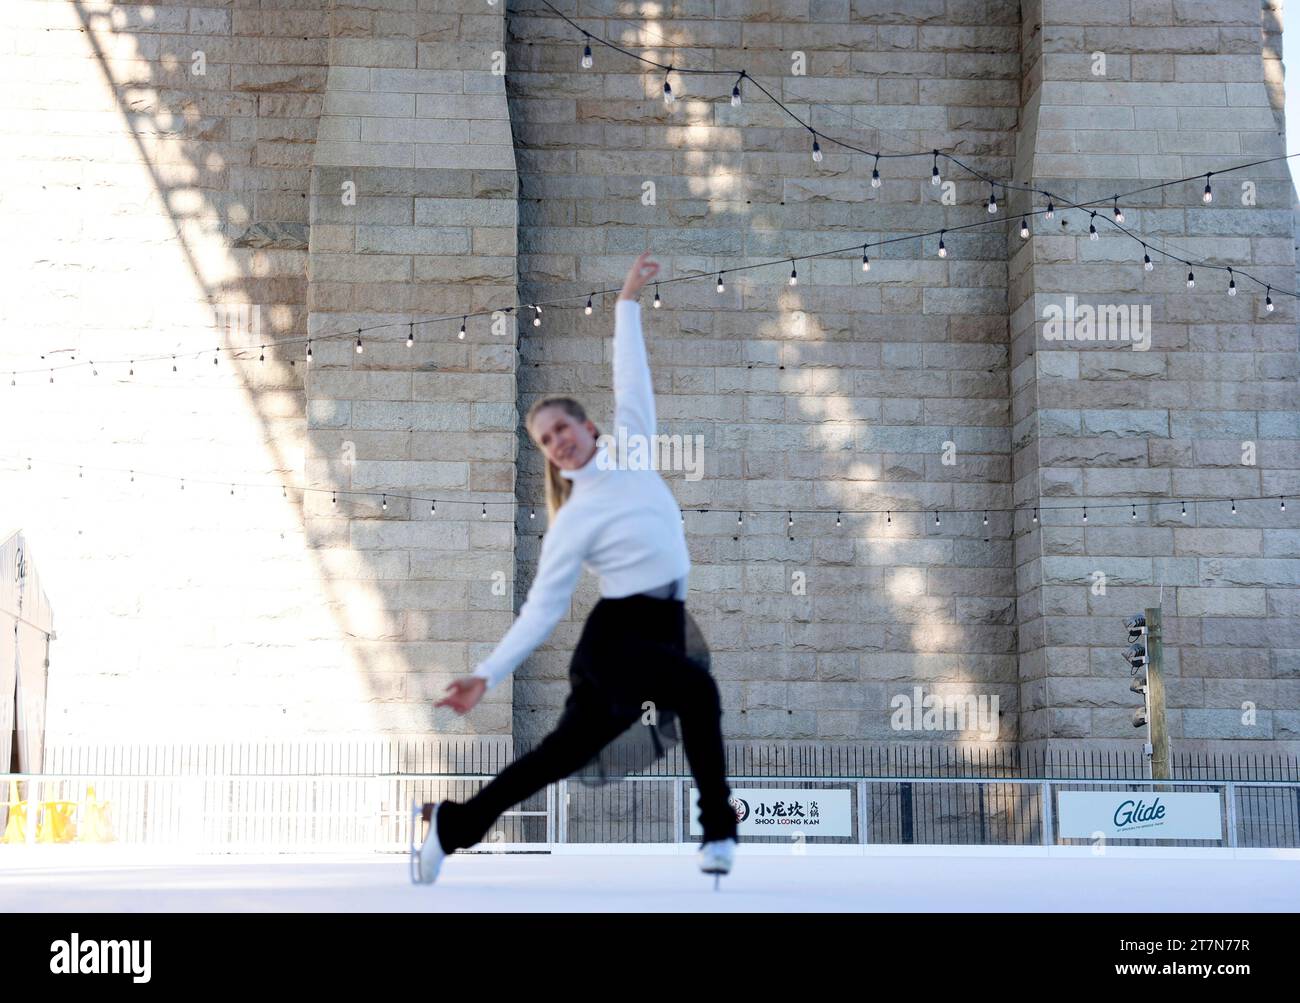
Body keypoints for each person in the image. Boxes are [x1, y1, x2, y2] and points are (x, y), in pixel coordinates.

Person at [412, 252, 739, 886]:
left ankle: (453, 827)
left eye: (562, 427)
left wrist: (626, 300)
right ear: (550, 456)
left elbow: (631, 382)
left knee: (559, 755)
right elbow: (542, 608)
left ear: (588, 428)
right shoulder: (574, 519)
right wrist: (486, 674)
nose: (557, 440)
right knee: (697, 692)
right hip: (618, 636)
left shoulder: (635, 451)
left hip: (664, 626)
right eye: (545, 440)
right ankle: (719, 832)